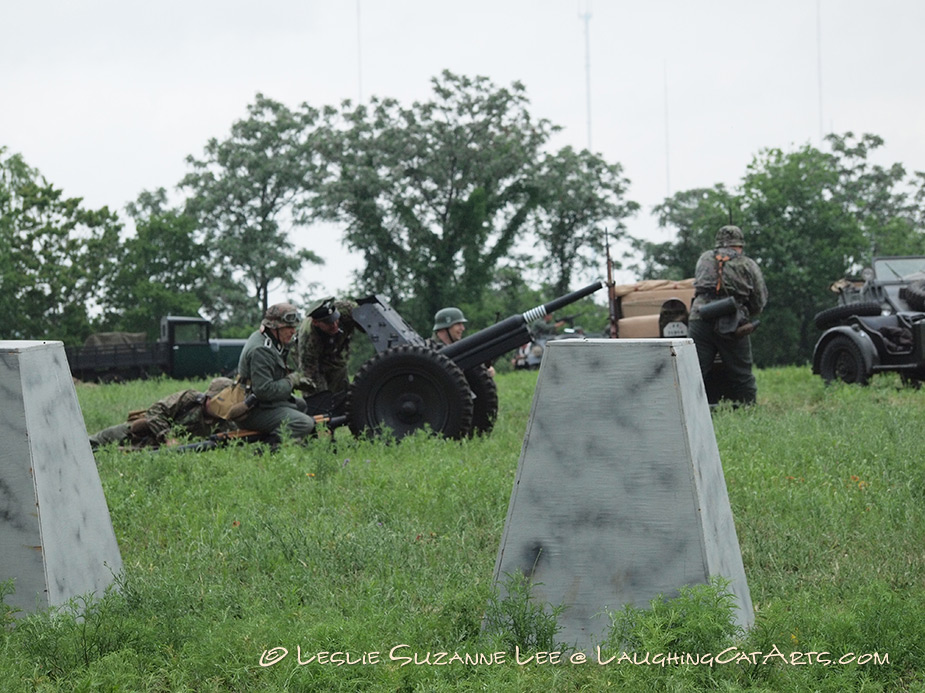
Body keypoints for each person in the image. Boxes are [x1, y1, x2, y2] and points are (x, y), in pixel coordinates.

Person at [689, 224, 768, 405]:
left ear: (718, 243)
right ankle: (750, 413)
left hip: (700, 318)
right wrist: (749, 312)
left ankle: (687, 413)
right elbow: (759, 299)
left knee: (694, 373)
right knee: (742, 374)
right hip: (732, 322)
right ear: (739, 245)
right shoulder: (747, 264)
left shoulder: (704, 259)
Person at [236, 302, 316, 442]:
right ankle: (268, 447)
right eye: (288, 327)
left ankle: (295, 442)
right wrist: (291, 382)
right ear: (274, 327)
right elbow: (264, 390)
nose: (293, 331)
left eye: (294, 327)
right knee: (304, 423)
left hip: (262, 404)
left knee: (302, 405)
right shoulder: (261, 350)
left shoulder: (271, 341)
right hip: (250, 410)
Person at [89, 377, 237, 450]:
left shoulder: (225, 422)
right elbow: (155, 411)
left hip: (151, 451)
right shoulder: (189, 399)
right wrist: (170, 438)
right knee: (91, 443)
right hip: (138, 433)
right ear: (209, 397)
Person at [297, 296, 359, 400]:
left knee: (340, 375)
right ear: (316, 323)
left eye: (335, 319)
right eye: (328, 323)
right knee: (318, 392)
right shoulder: (308, 337)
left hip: (333, 349)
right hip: (312, 354)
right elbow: (310, 373)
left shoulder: (346, 309)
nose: (335, 325)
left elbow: (367, 315)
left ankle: (343, 407)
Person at [428, 307, 495, 378]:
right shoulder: (430, 350)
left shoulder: (457, 350)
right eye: (458, 324)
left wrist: (483, 372)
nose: (462, 328)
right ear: (445, 326)